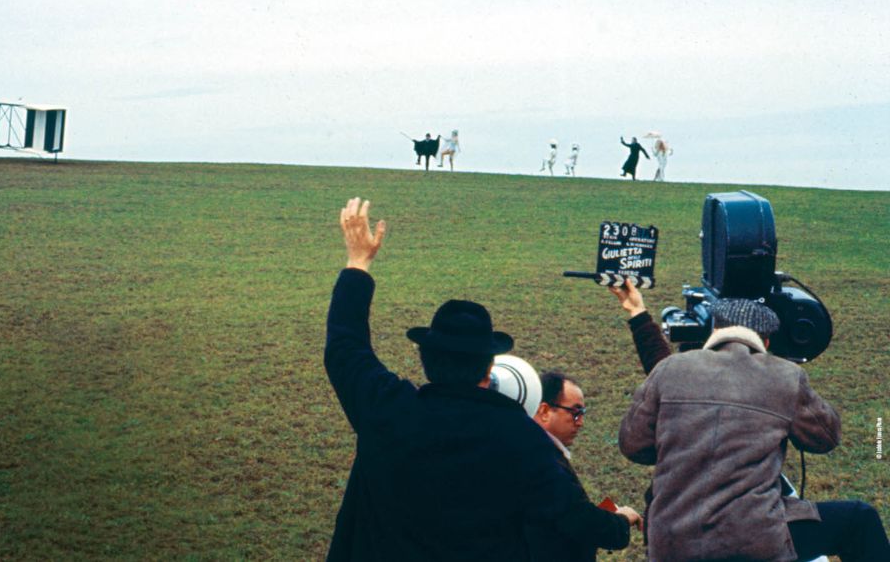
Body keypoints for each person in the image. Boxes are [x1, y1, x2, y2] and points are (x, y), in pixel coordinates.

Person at [325, 198, 640, 560]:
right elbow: (572, 516)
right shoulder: (522, 437)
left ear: (424, 358)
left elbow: (344, 348)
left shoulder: (387, 407)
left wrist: (357, 264)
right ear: (489, 370)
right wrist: (618, 523)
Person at [613, 284, 890, 561]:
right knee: (859, 519)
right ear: (767, 342)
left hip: (671, 544)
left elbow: (633, 446)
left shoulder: (669, 368)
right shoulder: (785, 376)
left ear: (713, 331)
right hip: (754, 541)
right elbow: (826, 438)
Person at [525, 371, 641, 561]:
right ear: (544, 411)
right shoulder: (542, 461)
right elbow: (578, 519)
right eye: (575, 412)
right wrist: (622, 520)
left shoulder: (534, 450)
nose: (581, 423)